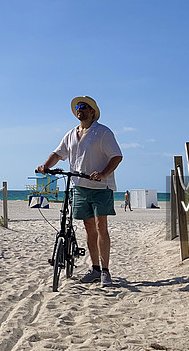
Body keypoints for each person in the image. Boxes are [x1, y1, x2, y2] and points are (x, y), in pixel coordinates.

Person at [36, 96, 123, 287]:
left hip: (101, 187)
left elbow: (116, 156)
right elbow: (58, 154)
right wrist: (45, 165)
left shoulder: (102, 132)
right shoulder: (71, 134)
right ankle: (95, 268)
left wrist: (102, 174)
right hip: (80, 187)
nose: (79, 110)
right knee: (88, 228)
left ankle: (106, 271)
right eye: (77, 107)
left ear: (92, 111)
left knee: (101, 227)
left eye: (83, 107)